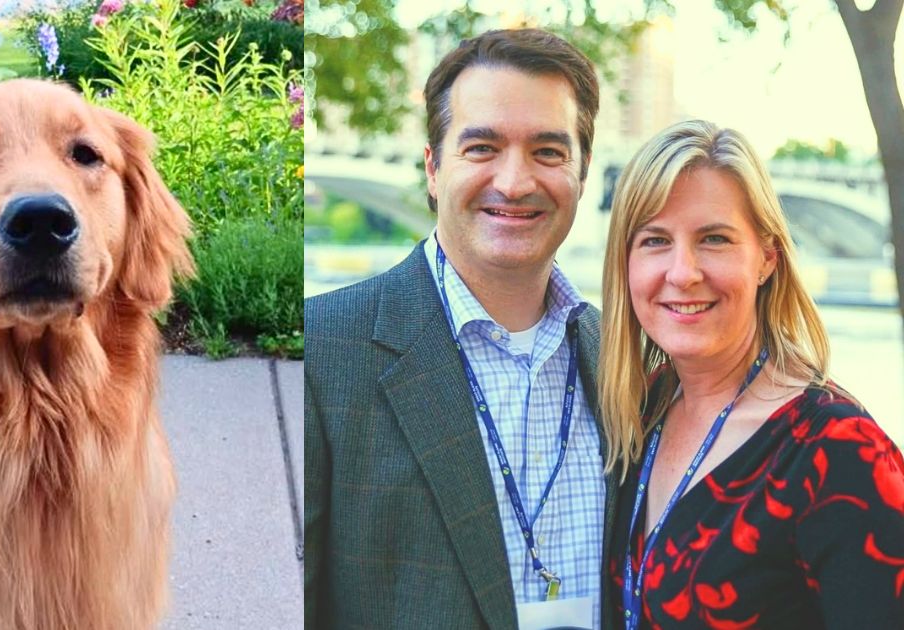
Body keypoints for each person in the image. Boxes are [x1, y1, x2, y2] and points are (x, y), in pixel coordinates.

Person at [305, 29, 620, 629]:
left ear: (581, 173)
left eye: (548, 152)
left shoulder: (628, 360)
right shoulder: (325, 354)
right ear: (433, 168)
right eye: (482, 148)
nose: (515, 182)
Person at [599, 120, 904, 629]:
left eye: (714, 239)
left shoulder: (838, 451)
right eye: (655, 240)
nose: (683, 272)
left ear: (766, 258)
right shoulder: (638, 411)